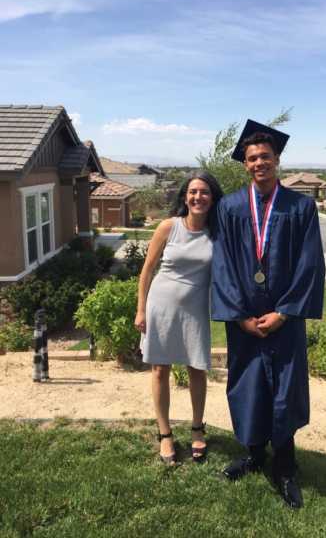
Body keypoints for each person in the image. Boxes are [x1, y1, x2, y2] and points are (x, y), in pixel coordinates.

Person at [211, 120, 325, 508]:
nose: (259, 162)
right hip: (244, 320)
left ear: (277, 160)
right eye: (252, 157)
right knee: (250, 385)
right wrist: (240, 314)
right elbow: (223, 263)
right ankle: (254, 456)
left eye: (266, 157)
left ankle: (286, 466)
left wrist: (284, 312)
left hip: (284, 319)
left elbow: (310, 264)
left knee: (286, 389)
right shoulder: (228, 208)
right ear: (245, 164)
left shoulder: (301, 207)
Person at [135, 171, 223, 465]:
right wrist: (140, 309)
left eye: (205, 192)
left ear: (212, 198)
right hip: (160, 306)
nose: (198, 197)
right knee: (159, 370)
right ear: (185, 197)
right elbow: (147, 270)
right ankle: (165, 434)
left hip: (195, 310)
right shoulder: (168, 227)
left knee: (197, 369)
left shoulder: (217, 232)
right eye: (193, 192)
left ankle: (197, 428)